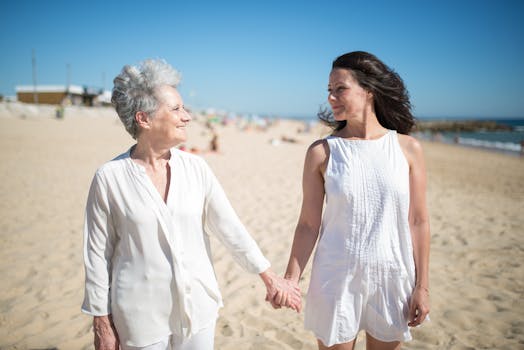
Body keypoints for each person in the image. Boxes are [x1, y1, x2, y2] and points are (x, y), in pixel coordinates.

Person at [81, 59, 301, 350]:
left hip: (197, 310)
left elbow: (229, 228)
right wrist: (101, 321)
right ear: (143, 119)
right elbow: (97, 254)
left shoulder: (196, 168)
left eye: (184, 108)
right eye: (176, 109)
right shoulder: (110, 178)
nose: (187, 116)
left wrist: (270, 279)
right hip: (139, 317)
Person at [274, 51, 430, 349]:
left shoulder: (408, 149)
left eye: (340, 89)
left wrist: (422, 286)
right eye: (329, 91)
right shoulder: (322, 152)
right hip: (336, 278)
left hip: (392, 276)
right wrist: (291, 279)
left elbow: (419, 221)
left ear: (369, 90)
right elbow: (308, 224)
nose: (332, 97)